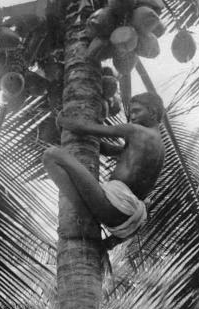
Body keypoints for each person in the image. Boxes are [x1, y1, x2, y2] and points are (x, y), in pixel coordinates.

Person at [42, 92, 165, 240]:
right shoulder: (159, 147)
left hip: (114, 206)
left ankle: (85, 217)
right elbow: (109, 149)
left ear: (152, 112)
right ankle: (107, 241)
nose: (132, 117)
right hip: (130, 222)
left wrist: (63, 120)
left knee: (51, 155)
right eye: (131, 112)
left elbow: (88, 128)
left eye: (137, 111)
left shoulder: (135, 130)